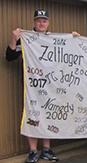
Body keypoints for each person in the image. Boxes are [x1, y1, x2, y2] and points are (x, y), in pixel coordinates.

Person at [6, 10, 79, 163]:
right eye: (38, 20)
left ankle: (46, 149)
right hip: (32, 85)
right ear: (34, 22)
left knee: (49, 114)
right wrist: (14, 39)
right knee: (32, 115)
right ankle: (33, 151)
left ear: (48, 23)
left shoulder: (53, 39)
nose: (41, 23)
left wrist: (74, 39)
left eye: (44, 21)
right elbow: (10, 56)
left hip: (51, 85)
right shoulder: (27, 39)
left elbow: (69, 53)